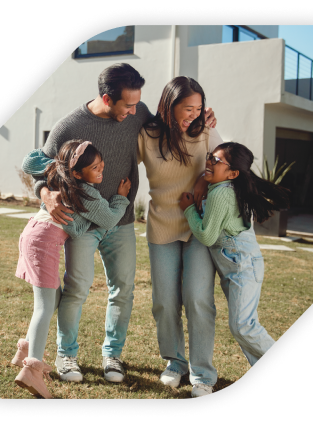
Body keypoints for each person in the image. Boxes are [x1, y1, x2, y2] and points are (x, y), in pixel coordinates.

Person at [24, 63, 217, 384]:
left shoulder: (137, 112)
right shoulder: (69, 126)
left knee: (123, 290)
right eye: (127, 104)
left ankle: (112, 355)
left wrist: (201, 118)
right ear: (106, 97)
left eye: (136, 103)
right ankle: (66, 355)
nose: (134, 110)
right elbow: (39, 164)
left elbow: (171, 124)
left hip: (122, 221)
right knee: (77, 289)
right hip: (82, 223)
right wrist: (44, 192)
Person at [12, 139, 131, 398]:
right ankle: (32, 369)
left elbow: (30, 162)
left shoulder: (63, 178)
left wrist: (57, 166)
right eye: (95, 168)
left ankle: (25, 348)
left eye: (102, 165)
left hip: (35, 234)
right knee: (43, 307)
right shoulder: (87, 193)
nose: (101, 171)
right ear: (77, 172)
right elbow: (110, 217)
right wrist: (121, 198)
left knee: (52, 299)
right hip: (43, 241)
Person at [137, 76, 224, 398]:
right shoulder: (147, 135)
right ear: (169, 105)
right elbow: (121, 161)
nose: (193, 114)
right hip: (162, 225)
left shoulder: (205, 132)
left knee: (198, 299)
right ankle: (175, 361)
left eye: (198, 108)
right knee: (164, 301)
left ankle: (202, 373)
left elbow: (226, 165)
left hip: (200, 226)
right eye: (187, 108)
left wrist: (204, 181)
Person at [179, 142, 290, 368]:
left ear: (233, 173)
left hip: (243, 267)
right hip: (237, 267)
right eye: (210, 157)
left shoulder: (222, 192)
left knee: (243, 326)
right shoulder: (226, 187)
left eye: (216, 161)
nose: (209, 162)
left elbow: (207, 236)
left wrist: (189, 209)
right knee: (243, 327)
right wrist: (204, 178)